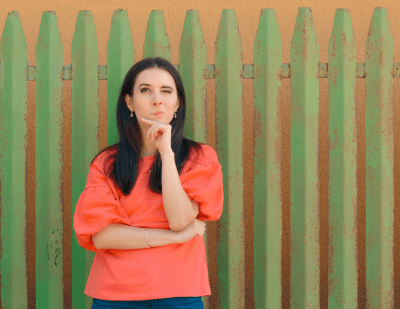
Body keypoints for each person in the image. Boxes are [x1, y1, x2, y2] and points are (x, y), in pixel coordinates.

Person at [73, 57, 224, 309]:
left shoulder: (200, 158)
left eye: (166, 91)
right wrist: (175, 238)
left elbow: (180, 220)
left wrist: (165, 152)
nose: (157, 99)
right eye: (145, 90)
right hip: (115, 295)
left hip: (179, 292)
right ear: (129, 102)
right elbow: (103, 237)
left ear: (177, 104)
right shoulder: (105, 163)